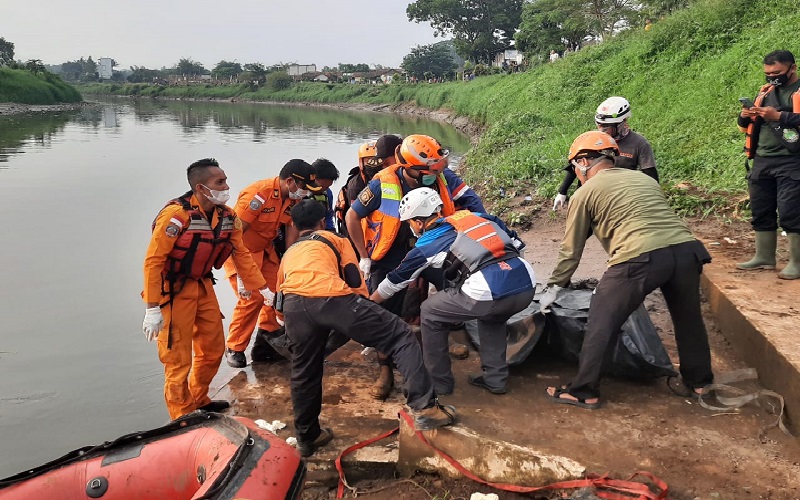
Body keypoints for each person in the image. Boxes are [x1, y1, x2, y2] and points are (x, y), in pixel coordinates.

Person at [539, 131, 714, 409]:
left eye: (574, 166)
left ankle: (584, 390)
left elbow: (571, 250)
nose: (575, 172)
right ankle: (700, 384)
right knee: (688, 320)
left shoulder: (584, 193)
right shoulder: (644, 179)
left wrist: (554, 287)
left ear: (584, 161)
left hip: (638, 257)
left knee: (602, 318)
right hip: (686, 250)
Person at [276, 200, 457, 457]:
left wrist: (285, 321)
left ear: (294, 225)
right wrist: (363, 314)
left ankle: (307, 438)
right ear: (322, 221)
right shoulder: (334, 239)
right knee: (399, 334)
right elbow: (354, 281)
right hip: (332, 297)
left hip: (294, 306)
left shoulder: (290, 252)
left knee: (304, 371)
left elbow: (279, 296)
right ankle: (424, 407)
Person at [345, 134, 483, 399]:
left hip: (431, 245)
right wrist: (363, 256)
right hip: (389, 251)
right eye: (430, 172)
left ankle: (445, 342)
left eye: (438, 170)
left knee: (452, 285)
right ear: (410, 168)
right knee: (384, 310)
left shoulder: (440, 175)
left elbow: (471, 200)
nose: (437, 176)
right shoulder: (381, 184)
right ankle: (385, 368)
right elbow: (352, 216)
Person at [370, 188, 535, 395]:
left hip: (489, 290)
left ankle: (439, 383)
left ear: (419, 222)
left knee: (430, 311)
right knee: (493, 317)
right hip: (526, 284)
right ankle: (495, 380)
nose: (411, 227)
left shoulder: (427, 243)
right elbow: (517, 244)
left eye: (410, 222)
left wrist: (372, 300)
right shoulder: (477, 217)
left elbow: (395, 281)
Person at [142, 158, 270, 420]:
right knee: (177, 361)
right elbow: (153, 261)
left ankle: (199, 398)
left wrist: (262, 289)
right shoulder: (176, 216)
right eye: (219, 182)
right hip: (173, 292)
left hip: (202, 286)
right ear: (201, 188)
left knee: (212, 349)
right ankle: (181, 417)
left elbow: (241, 253)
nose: (226, 186)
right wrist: (152, 309)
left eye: (225, 180)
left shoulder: (227, 216)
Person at [223, 159, 323, 368]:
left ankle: (269, 336)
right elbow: (235, 233)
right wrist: (242, 274)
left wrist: (289, 256)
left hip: (265, 250)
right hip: (242, 253)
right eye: (304, 187)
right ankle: (235, 347)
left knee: (278, 292)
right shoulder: (258, 195)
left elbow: (291, 227)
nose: (305, 192)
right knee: (252, 298)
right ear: (290, 181)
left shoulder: (292, 198)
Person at [736, 49, 800, 280]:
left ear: (792, 68)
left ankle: (797, 262)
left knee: (791, 211)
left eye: (777, 72)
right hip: (762, 159)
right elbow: (744, 127)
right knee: (761, 208)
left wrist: (779, 117)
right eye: (768, 73)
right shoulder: (765, 92)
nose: (772, 77)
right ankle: (764, 256)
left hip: (792, 160)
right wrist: (745, 114)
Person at [553, 96, 658, 210]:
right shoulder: (593, 140)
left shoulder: (639, 144)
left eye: (606, 127)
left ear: (621, 123)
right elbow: (576, 166)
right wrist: (562, 191)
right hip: (590, 193)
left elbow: (650, 176)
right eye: (599, 125)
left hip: (618, 198)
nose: (601, 130)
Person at [310, 158, 339, 232]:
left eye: (327, 187)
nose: (324, 189)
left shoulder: (328, 193)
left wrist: (331, 231)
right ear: (313, 178)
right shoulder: (299, 193)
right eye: (322, 186)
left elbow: (328, 216)